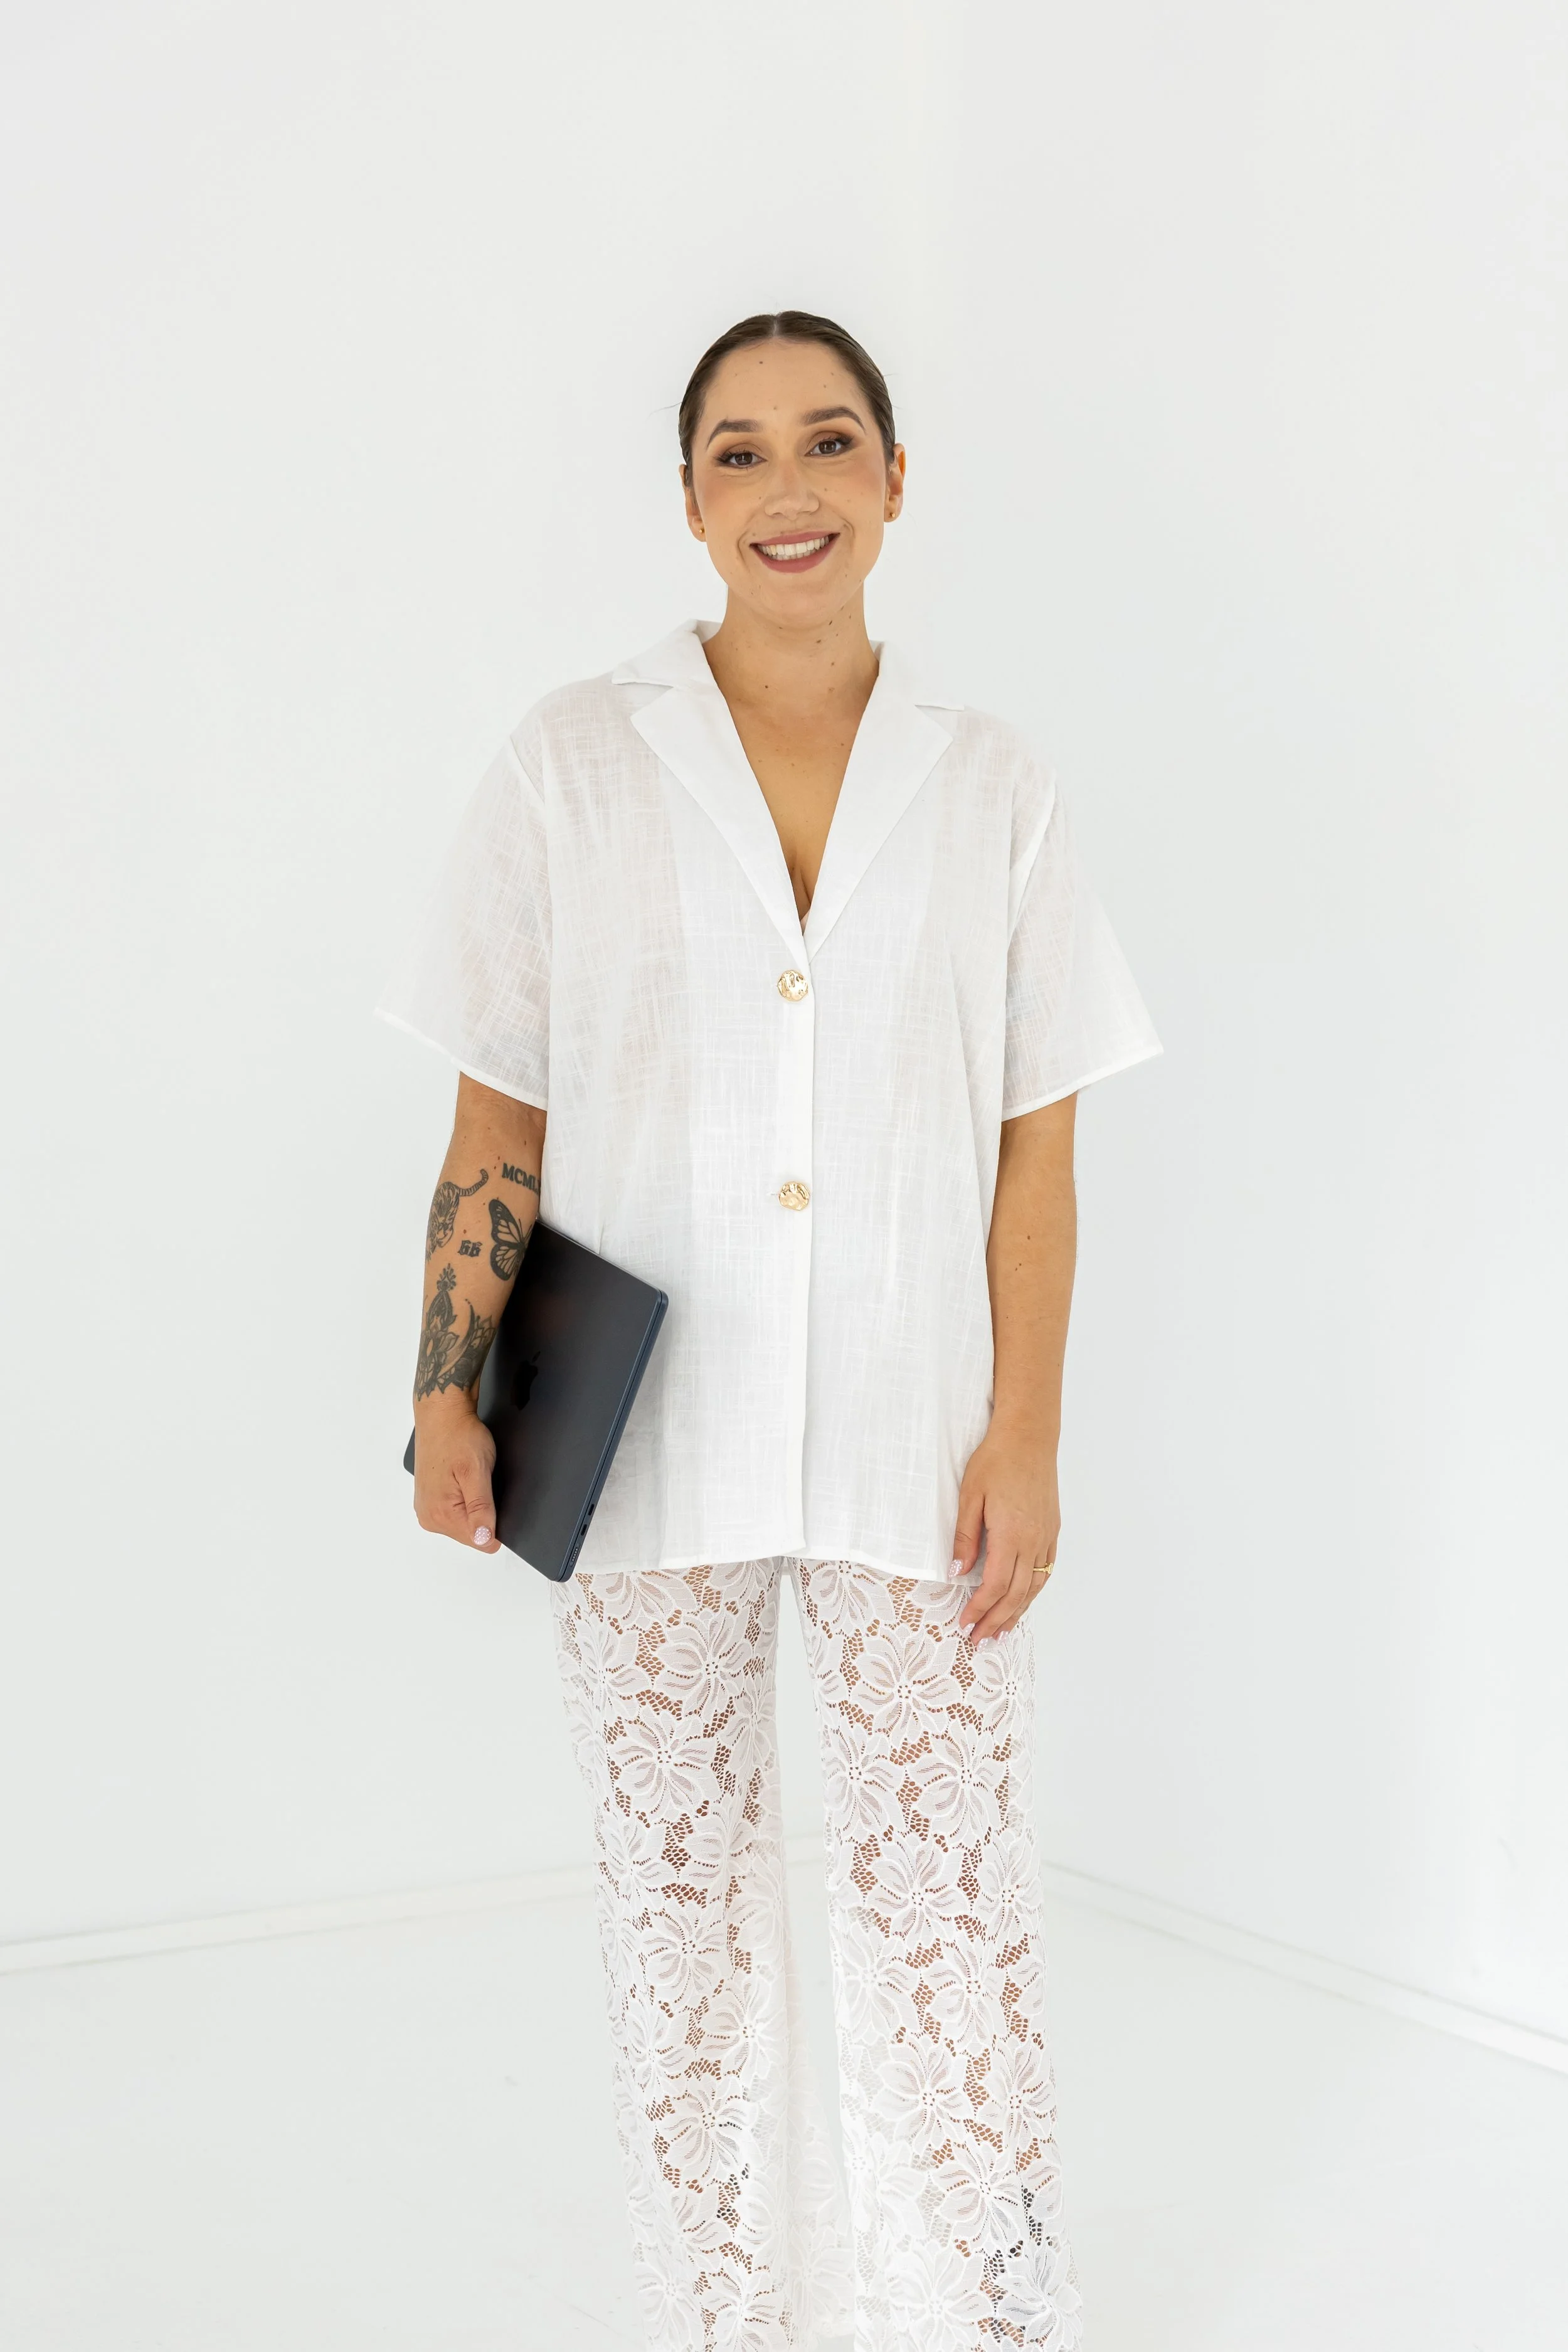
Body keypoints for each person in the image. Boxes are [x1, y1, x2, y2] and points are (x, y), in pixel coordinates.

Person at [377, 309, 1160, 2351]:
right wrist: (444, 1392)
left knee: (947, 1909)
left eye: (827, 442)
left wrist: (1025, 1432)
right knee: (679, 1915)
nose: (786, 487)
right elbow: (495, 1116)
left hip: (917, 1430)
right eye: (737, 451)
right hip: (640, 1431)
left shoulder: (991, 786)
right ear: (688, 502)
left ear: (894, 481)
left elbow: (1036, 1152)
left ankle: (973, 2320)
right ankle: (724, 2317)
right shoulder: (571, 761)